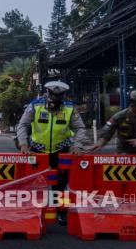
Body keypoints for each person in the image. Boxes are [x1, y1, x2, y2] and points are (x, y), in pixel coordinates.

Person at [16, 81, 90, 225]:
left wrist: (77, 145)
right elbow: (23, 125)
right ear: (47, 94)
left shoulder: (69, 108)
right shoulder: (35, 106)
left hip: (61, 151)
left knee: (61, 184)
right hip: (37, 151)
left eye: (58, 96)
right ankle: (34, 211)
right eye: (52, 96)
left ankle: (61, 211)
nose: (54, 100)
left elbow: (80, 128)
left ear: (62, 96)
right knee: (35, 183)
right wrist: (23, 144)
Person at [94, 90, 136, 154]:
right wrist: (100, 143)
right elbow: (106, 133)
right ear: (133, 103)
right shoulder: (119, 117)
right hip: (123, 151)